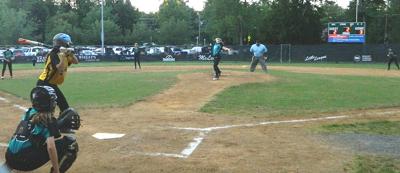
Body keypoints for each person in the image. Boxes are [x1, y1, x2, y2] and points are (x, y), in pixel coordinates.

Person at [4, 86, 79, 173]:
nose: (55, 102)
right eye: (53, 100)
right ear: (48, 103)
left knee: (27, 142)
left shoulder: (28, 113)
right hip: (25, 163)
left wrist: (57, 125)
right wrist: (57, 170)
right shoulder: (49, 120)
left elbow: (36, 129)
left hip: (9, 157)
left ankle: (3, 170)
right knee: (71, 144)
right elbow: (51, 148)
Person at [37, 33, 78, 113]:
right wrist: (63, 56)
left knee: (64, 107)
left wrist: (70, 53)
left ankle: (61, 123)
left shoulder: (66, 53)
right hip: (44, 83)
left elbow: (76, 61)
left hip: (52, 84)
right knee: (47, 108)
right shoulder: (53, 54)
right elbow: (59, 69)